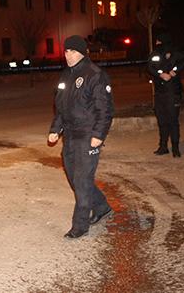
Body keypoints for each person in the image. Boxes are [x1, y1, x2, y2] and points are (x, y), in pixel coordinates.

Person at [48, 35, 115, 239]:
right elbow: (60, 108)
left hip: (87, 135)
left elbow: (105, 110)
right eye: (66, 51)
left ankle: (80, 225)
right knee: (74, 178)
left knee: (83, 181)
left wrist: (98, 136)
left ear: (82, 53)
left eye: (73, 51)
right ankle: (102, 207)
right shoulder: (66, 76)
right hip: (69, 135)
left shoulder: (95, 75)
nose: (68, 55)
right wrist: (55, 129)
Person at [147, 33, 184, 157]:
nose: (156, 43)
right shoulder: (155, 54)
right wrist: (160, 74)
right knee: (162, 120)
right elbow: (150, 67)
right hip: (159, 92)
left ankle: (175, 148)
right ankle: (163, 146)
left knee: (172, 120)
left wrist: (175, 70)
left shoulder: (175, 52)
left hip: (173, 92)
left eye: (158, 41)